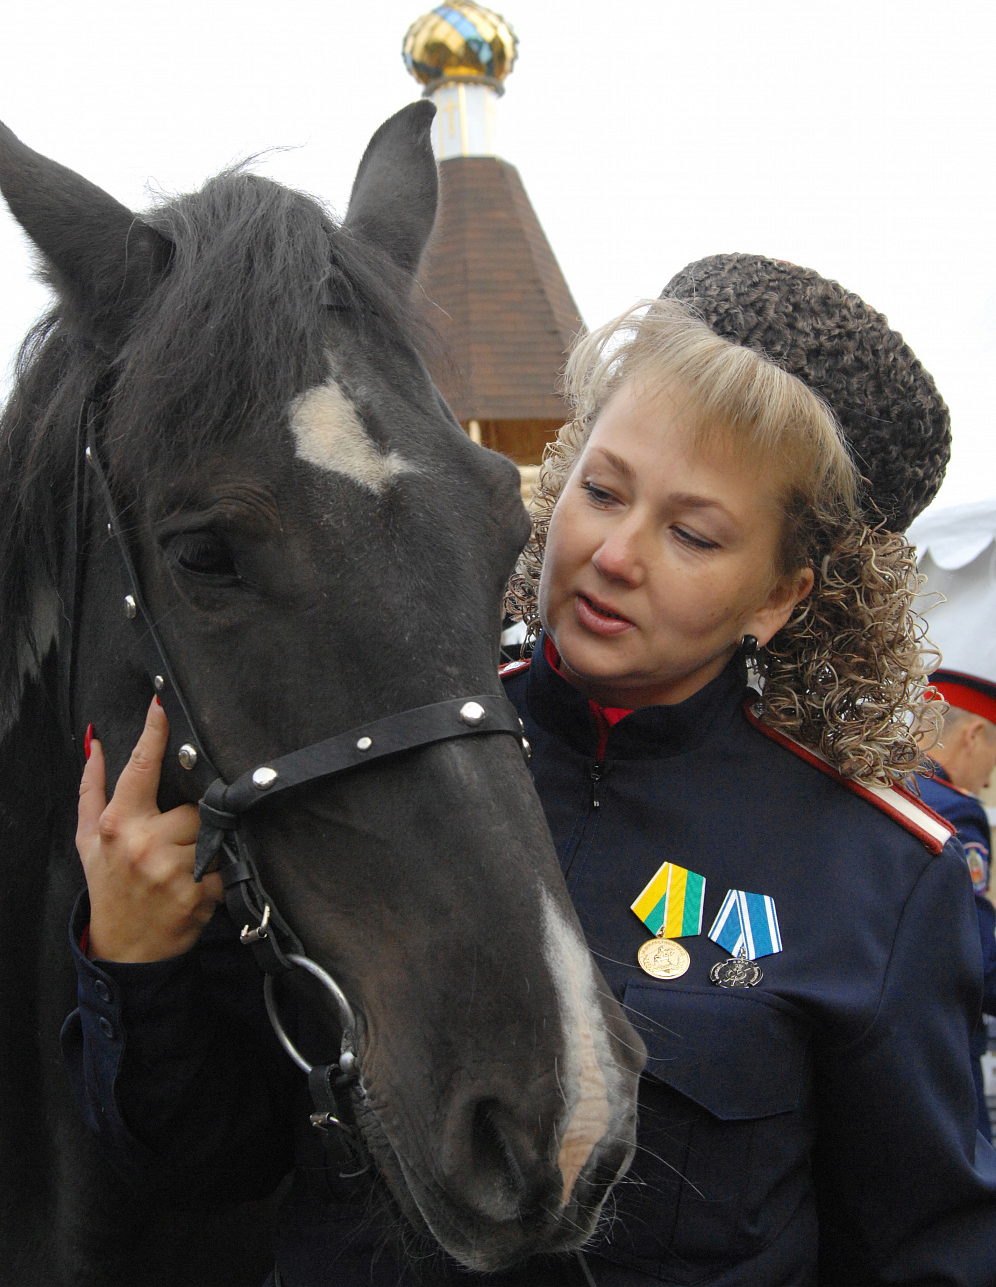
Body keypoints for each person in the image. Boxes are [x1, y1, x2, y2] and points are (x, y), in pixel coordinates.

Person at [65, 256, 996, 1285]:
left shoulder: (884, 880)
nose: (613, 552)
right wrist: (136, 962)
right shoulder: (356, 751)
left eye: (690, 532)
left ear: (777, 596)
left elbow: (927, 1252)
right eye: (602, 491)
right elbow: (212, 1164)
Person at [914, 669, 996, 1139]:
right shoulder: (956, 810)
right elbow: (975, 955)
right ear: (974, 734)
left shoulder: (873, 782)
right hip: (941, 1053)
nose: (987, 783)